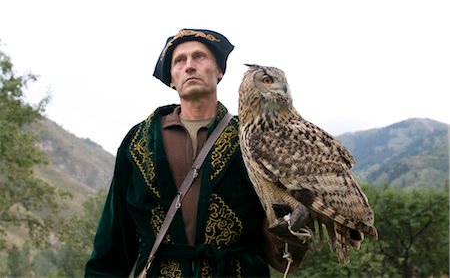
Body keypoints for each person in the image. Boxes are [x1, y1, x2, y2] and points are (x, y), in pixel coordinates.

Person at [85, 29, 310, 277]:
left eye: (199, 57)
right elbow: (114, 234)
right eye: (179, 61)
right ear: (171, 77)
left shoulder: (253, 139)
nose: (189, 66)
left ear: (219, 71)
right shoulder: (139, 141)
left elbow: (279, 222)